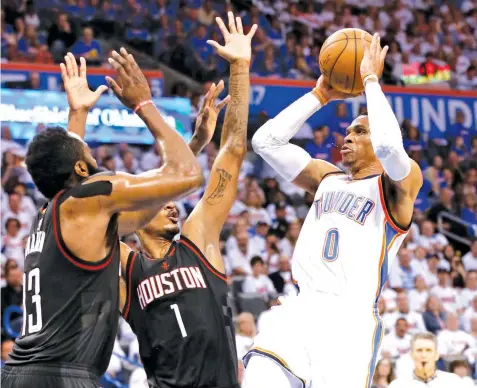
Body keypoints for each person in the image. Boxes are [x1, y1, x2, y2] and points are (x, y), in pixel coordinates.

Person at [1, 50, 204, 388]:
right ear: (83, 169)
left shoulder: (50, 212)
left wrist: (77, 112)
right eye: (90, 157)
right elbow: (188, 175)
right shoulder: (87, 198)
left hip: (22, 372)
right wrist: (144, 105)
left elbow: (150, 196)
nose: (95, 160)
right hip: (62, 375)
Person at [243, 33, 423, 388]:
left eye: (360, 131)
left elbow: (389, 146)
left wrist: (371, 80)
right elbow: (265, 142)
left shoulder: (398, 184)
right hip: (300, 308)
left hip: (349, 321)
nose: (348, 137)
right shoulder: (326, 177)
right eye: (347, 131)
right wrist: (320, 95)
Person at [119, 12, 256, 388]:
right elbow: (81, 219)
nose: (171, 203)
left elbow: (232, 150)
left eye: (170, 198)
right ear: (134, 212)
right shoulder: (125, 269)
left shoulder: (198, 239)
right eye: (158, 198)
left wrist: (240, 68)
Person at [388, 333, 466, 387]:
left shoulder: (454, 382)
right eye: (419, 350)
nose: (424, 355)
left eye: (428, 350)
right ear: (411, 355)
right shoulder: (398, 385)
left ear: (436, 355)